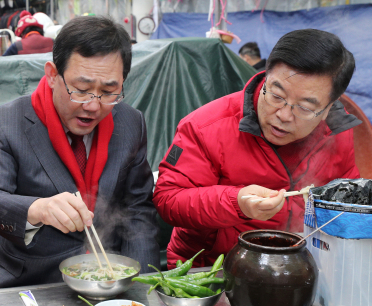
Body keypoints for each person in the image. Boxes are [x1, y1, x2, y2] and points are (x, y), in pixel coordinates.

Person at [0, 16, 160, 289]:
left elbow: (137, 209)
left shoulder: (130, 123)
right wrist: (38, 208)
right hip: (32, 281)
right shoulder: (6, 123)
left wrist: (143, 284)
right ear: (52, 75)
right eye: (81, 90)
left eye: (109, 91)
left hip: (110, 278)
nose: (93, 106)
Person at [154, 29, 360, 268]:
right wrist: (236, 202)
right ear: (265, 77)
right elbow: (168, 199)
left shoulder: (337, 133)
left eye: (304, 107)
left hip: (301, 268)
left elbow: (348, 200)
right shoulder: (206, 126)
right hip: (210, 270)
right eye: (276, 94)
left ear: (327, 109)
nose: (283, 115)